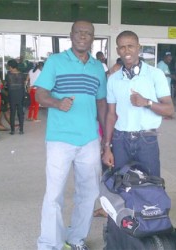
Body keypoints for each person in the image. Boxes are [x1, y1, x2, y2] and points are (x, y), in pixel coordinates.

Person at [35, 20, 107, 250]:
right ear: (71, 35)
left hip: (89, 140)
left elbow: (102, 102)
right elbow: (40, 94)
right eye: (79, 32)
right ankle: (49, 244)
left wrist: (106, 140)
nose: (83, 36)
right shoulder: (56, 62)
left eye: (88, 33)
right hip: (60, 139)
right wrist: (57, 103)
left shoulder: (97, 68)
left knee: (88, 194)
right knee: (54, 195)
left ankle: (76, 239)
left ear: (93, 38)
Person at [102, 30, 174, 178]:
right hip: (120, 140)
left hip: (146, 139)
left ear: (139, 48)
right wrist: (107, 147)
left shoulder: (155, 74)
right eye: (122, 47)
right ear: (117, 51)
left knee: (151, 185)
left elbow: (169, 110)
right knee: (120, 185)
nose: (126, 51)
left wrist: (147, 102)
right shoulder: (113, 79)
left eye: (130, 46)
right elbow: (111, 115)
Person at [5, 59, 26, 135]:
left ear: (11, 66)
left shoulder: (8, 75)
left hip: (12, 94)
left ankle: (12, 130)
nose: (8, 68)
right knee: (20, 112)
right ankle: (21, 130)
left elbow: (7, 85)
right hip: (20, 94)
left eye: (9, 66)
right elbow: (23, 84)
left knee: (12, 112)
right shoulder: (22, 74)